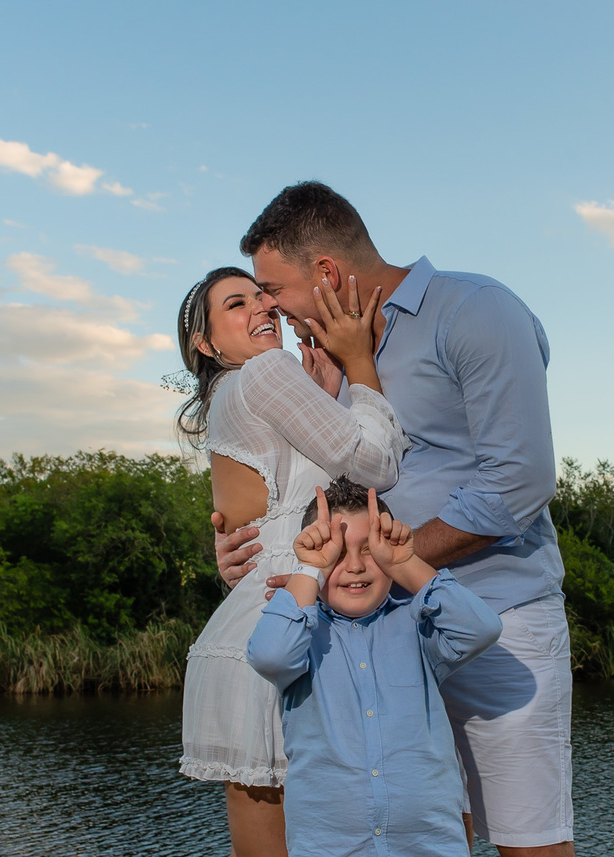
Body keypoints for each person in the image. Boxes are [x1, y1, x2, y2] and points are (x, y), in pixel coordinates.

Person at [220, 181, 575, 856]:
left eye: (274, 287)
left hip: (498, 612)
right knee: (424, 831)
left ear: (326, 273)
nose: (268, 305)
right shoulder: (321, 359)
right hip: (368, 638)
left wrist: (394, 558)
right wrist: (241, 550)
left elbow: (518, 482)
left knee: (529, 840)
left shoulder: (476, 311)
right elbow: (312, 490)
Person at [174, 265, 409, 857]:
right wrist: (360, 366)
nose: (261, 308)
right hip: (292, 612)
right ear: (206, 343)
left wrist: (323, 396)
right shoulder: (266, 371)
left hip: (256, 610)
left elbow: (257, 513)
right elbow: (376, 467)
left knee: (262, 833)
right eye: (236, 304)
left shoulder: (225, 398)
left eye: (261, 296)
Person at [247, 478, 502, 857]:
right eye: (334, 554)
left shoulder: (416, 625)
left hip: (429, 845)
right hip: (330, 847)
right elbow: (269, 654)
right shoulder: (304, 635)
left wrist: (406, 563)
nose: (353, 566)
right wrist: (309, 569)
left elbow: (481, 628)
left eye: (370, 550)